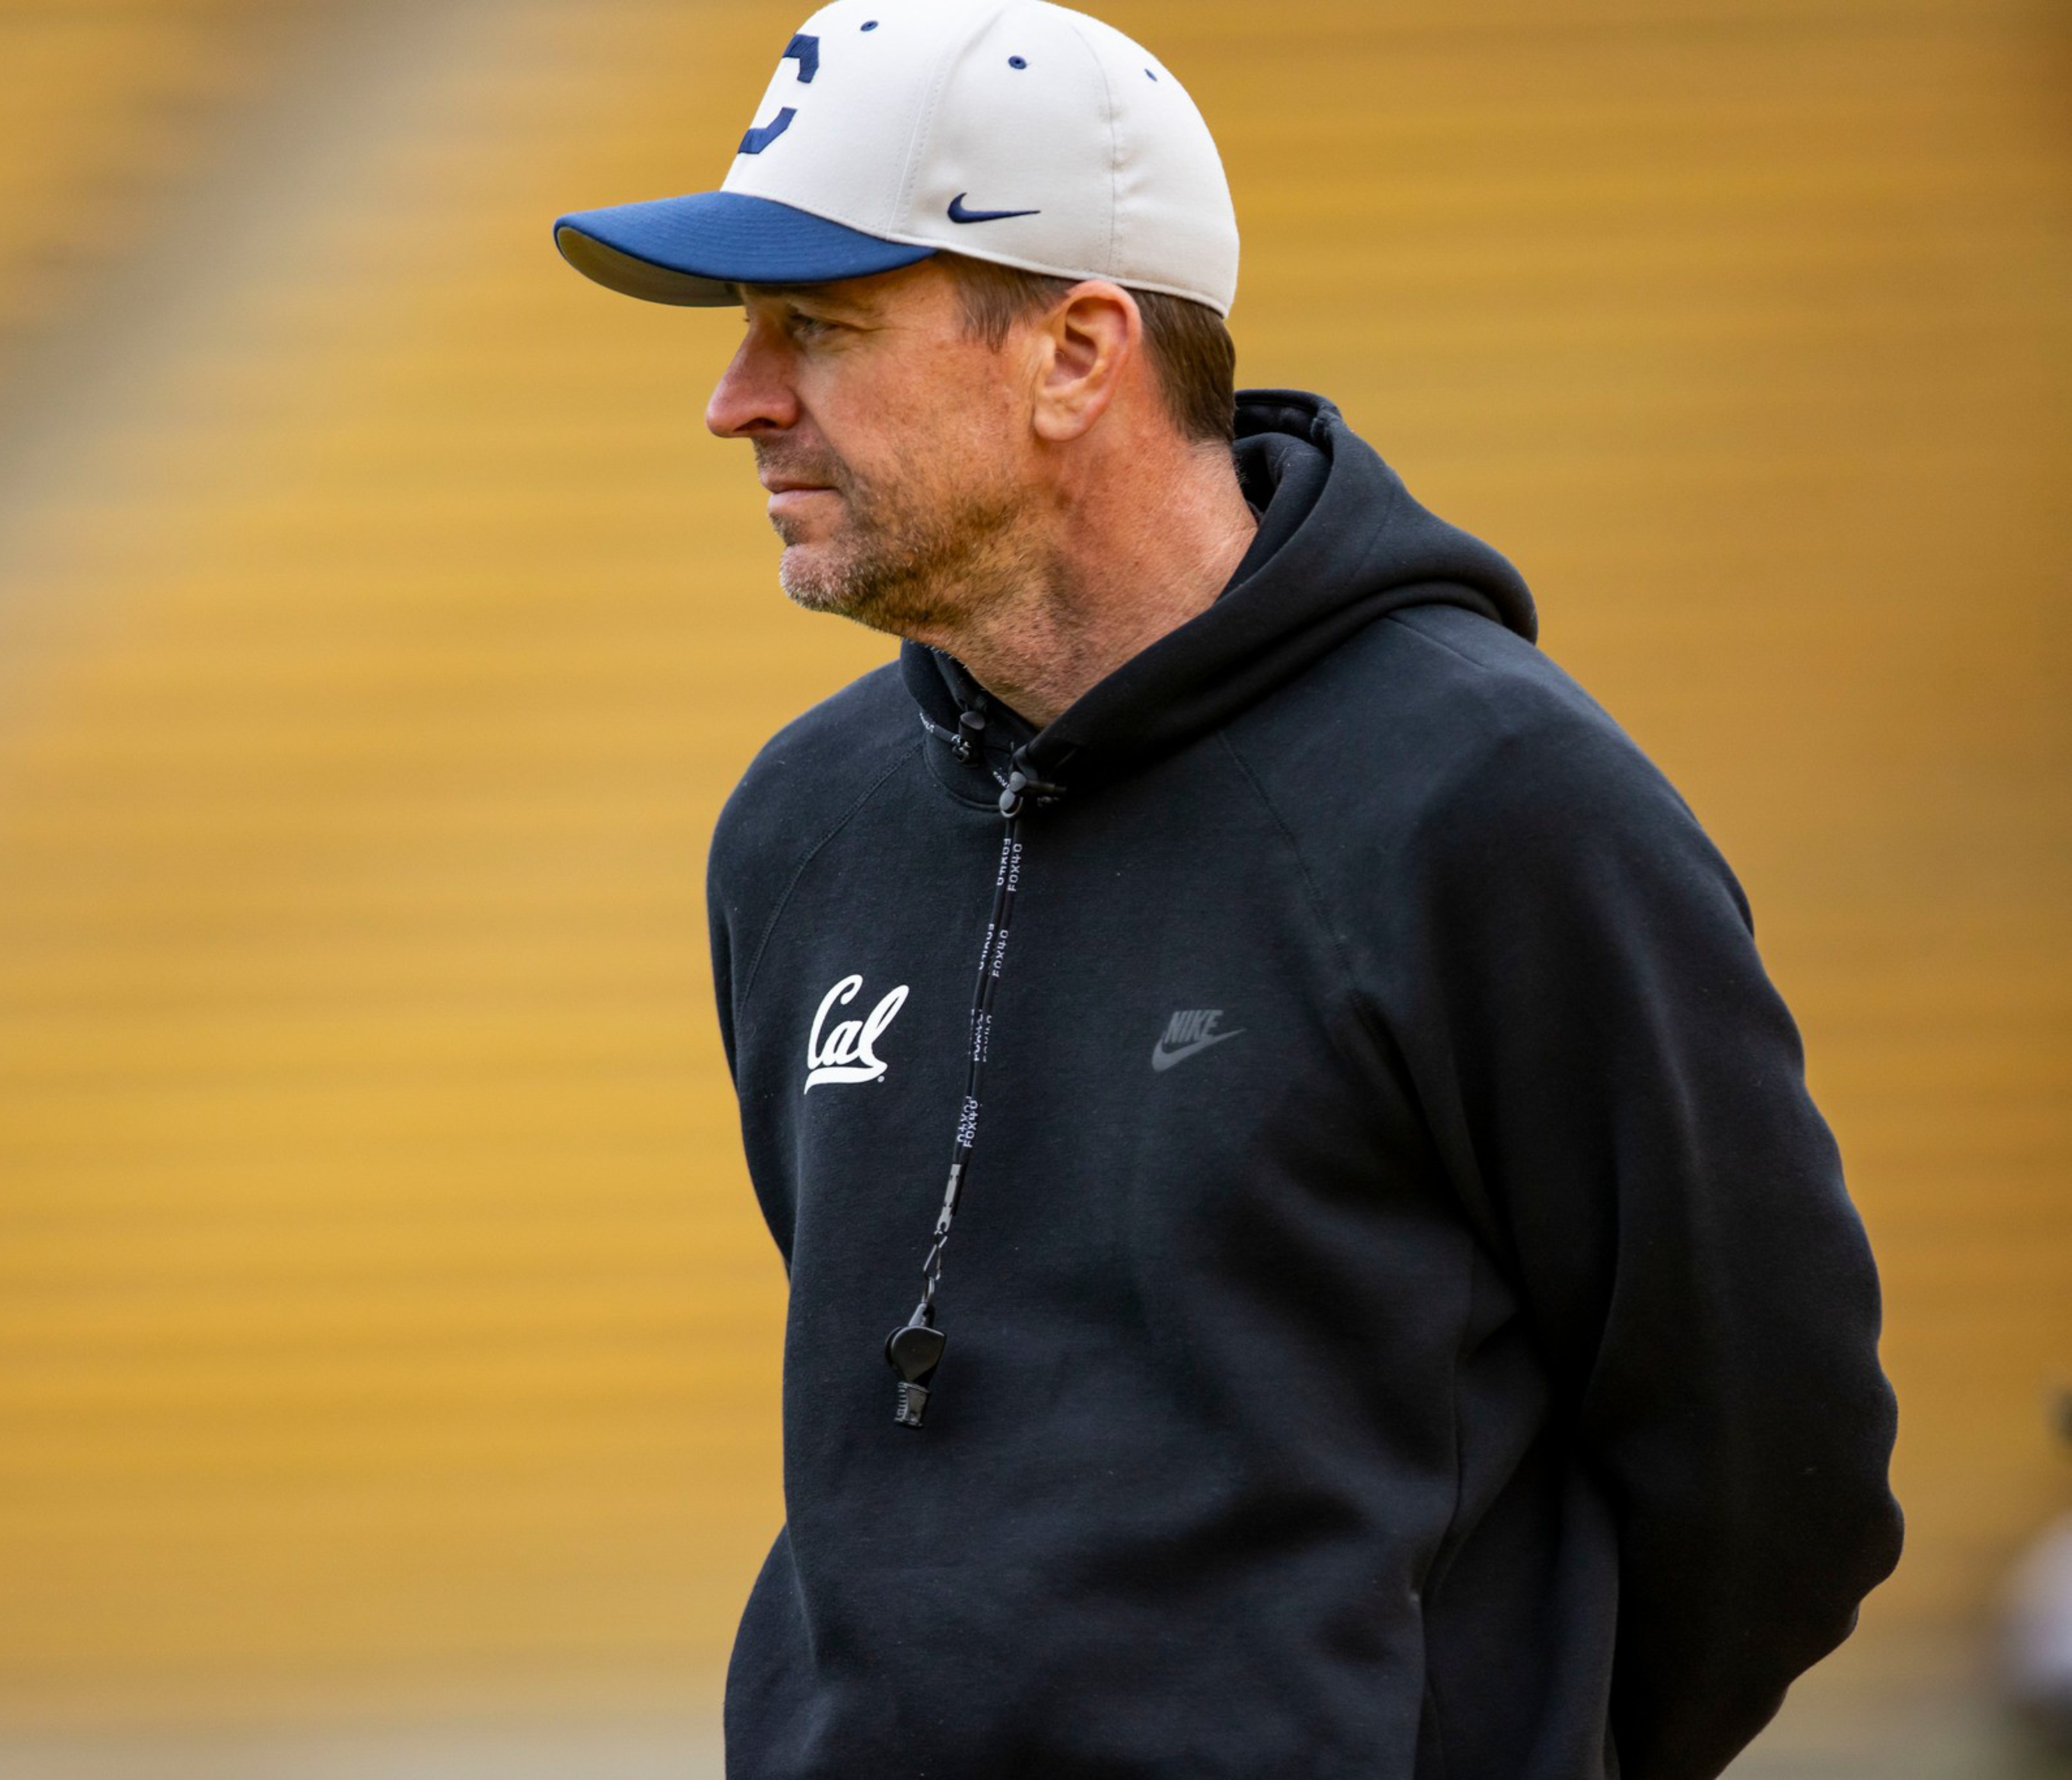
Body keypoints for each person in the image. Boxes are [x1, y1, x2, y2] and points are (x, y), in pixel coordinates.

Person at [550, 3, 1903, 1775]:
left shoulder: (1493, 804)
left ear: (1074, 352)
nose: (738, 401)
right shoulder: (803, 826)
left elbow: (1771, 1460)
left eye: (816, 325)